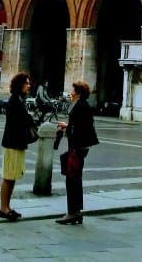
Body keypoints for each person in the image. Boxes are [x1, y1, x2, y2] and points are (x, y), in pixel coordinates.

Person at [55, 80, 99, 225]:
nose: (71, 93)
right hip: (79, 147)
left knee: (72, 178)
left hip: (76, 147)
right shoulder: (82, 105)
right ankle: (75, 211)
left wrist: (66, 130)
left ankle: (72, 213)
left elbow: (80, 129)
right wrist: (67, 125)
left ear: (78, 93)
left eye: (73, 91)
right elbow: (81, 125)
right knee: (75, 178)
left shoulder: (79, 106)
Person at [0, 71, 34, 221]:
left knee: (12, 176)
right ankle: (3, 208)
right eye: (26, 83)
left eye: (29, 83)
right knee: (8, 176)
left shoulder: (19, 100)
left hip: (17, 143)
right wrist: (30, 119)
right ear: (19, 85)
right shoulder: (14, 101)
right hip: (12, 143)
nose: (29, 85)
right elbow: (21, 121)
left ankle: (7, 207)